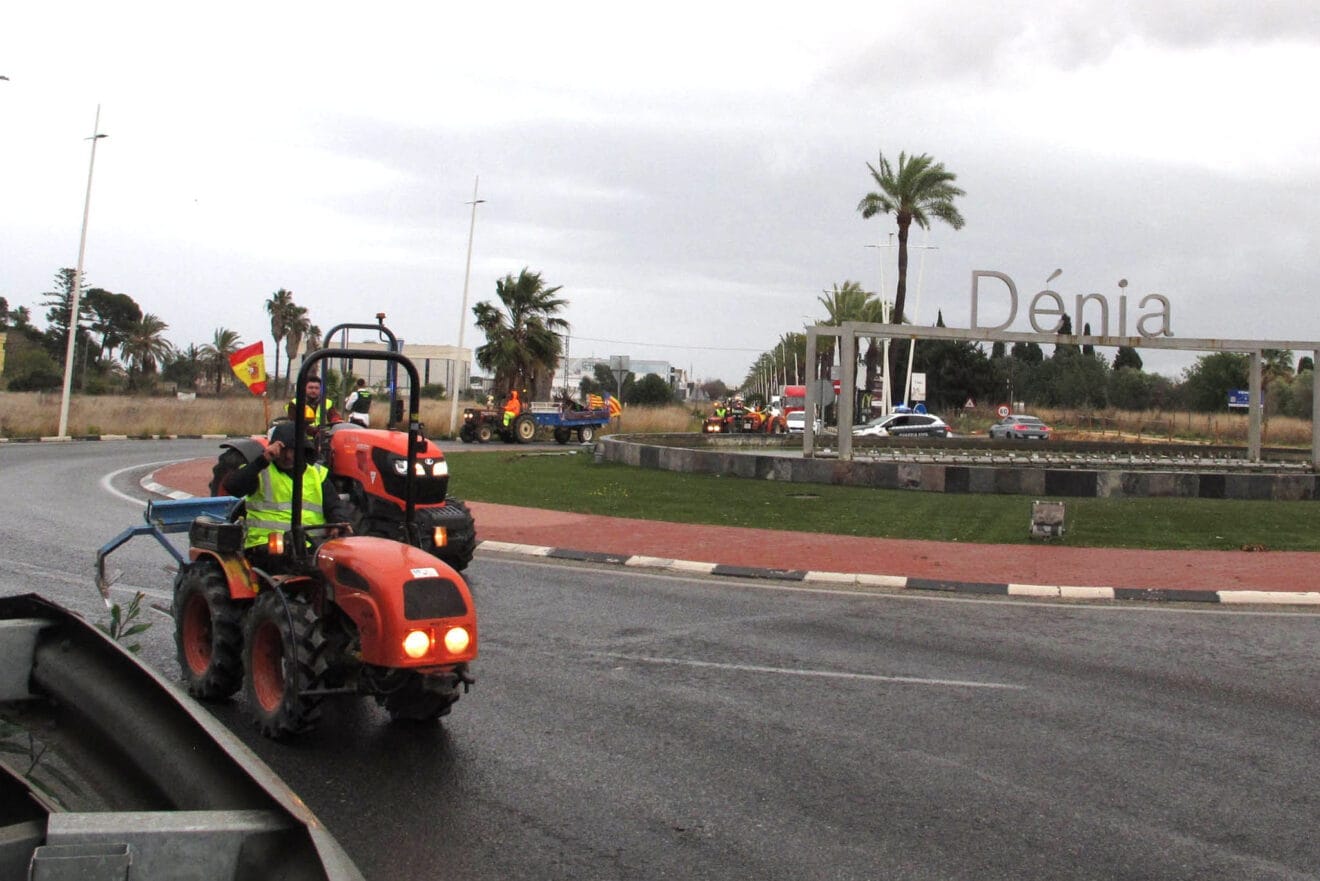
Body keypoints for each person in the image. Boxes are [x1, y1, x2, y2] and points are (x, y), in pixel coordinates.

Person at [222, 421, 352, 573]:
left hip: (311, 545)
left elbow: (334, 505)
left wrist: (338, 522)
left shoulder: (317, 474)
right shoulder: (261, 470)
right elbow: (233, 487)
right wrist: (263, 459)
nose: (288, 456)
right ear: (274, 448)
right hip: (266, 547)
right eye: (283, 450)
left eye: (294, 451)